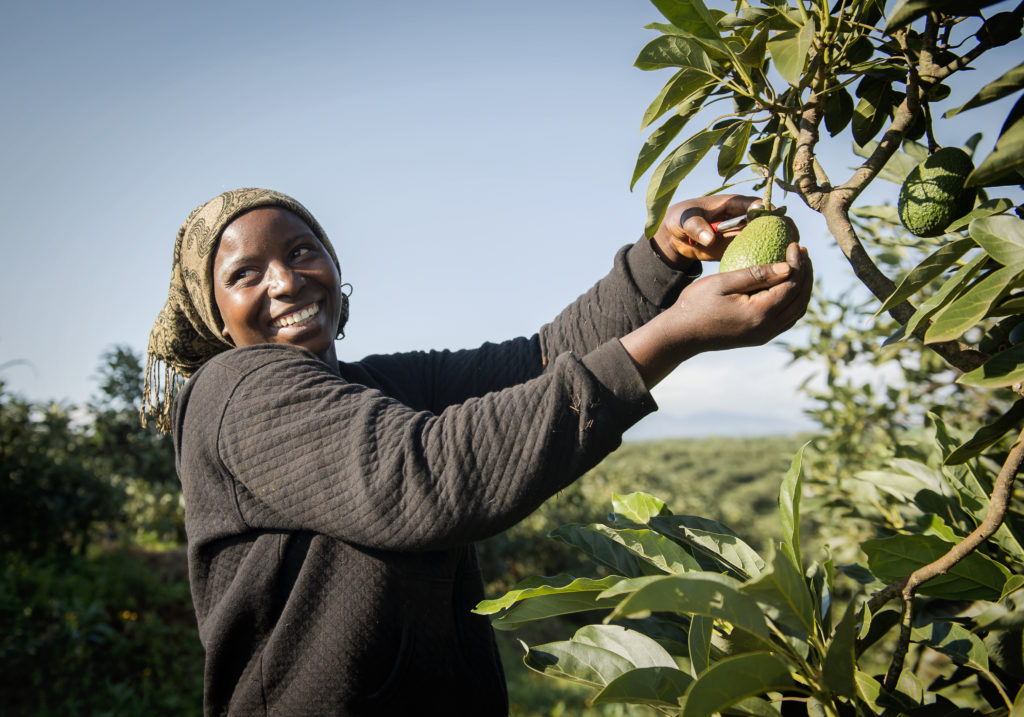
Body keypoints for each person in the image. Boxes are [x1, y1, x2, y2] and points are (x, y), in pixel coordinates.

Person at [143, 187, 812, 716]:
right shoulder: (234, 390)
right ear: (215, 313)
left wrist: (663, 258)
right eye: (245, 273)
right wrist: (675, 335)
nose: (286, 281)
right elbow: (418, 478)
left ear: (335, 264)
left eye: (301, 250)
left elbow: (542, 360)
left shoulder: (376, 386)